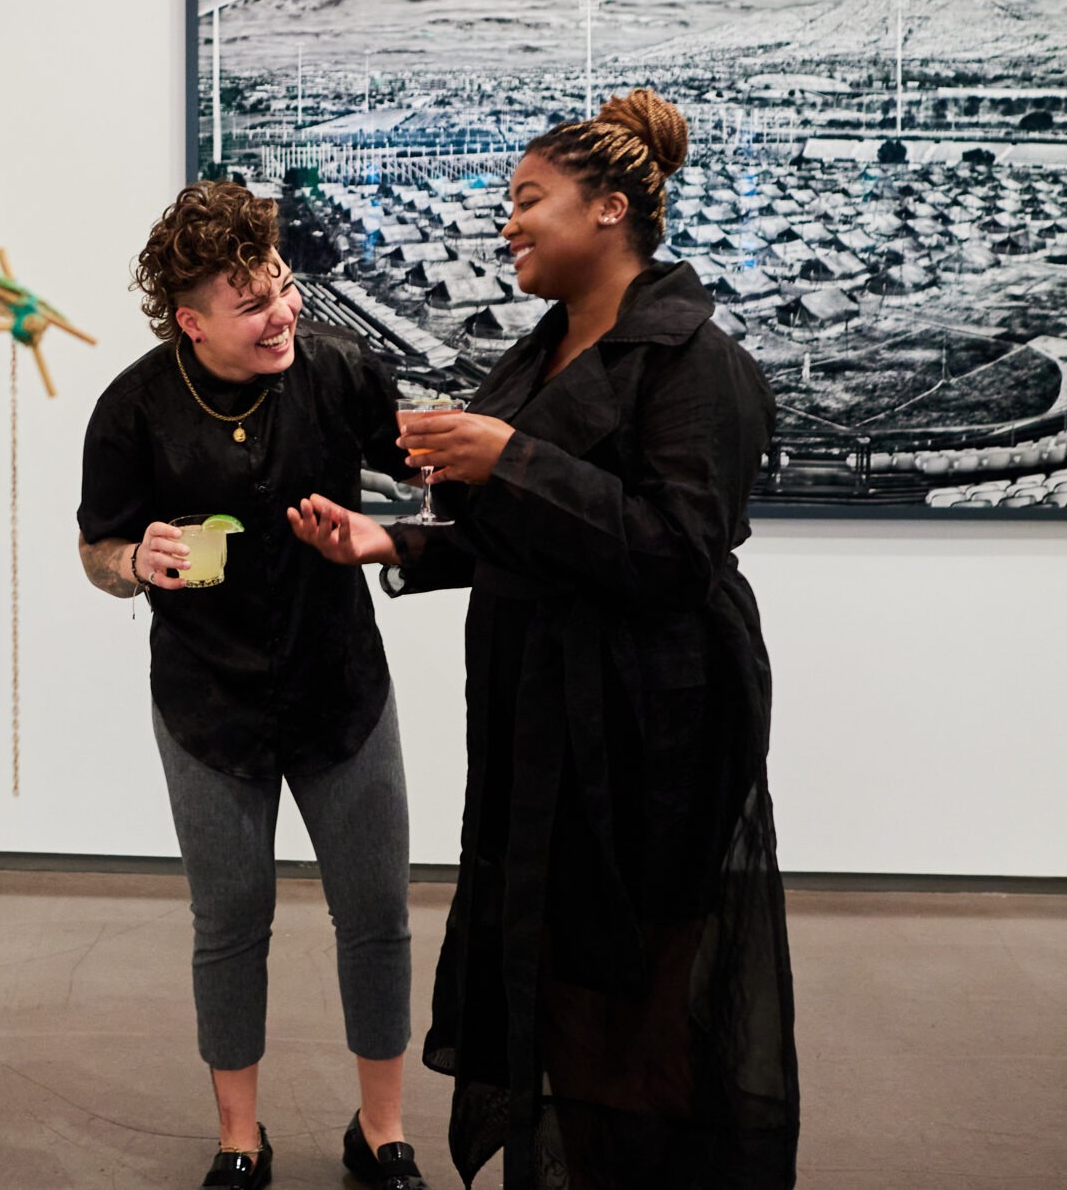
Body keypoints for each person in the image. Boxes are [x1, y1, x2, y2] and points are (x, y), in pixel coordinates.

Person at [288, 91, 801, 1189]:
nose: (504, 222)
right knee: (555, 977)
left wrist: (507, 457)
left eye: (528, 200)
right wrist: (396, 542)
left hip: (653, 726)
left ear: (610, 210)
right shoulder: (547, 350)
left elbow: (675, 547)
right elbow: (527, 533)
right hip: (541, 722)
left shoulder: (692, 363)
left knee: (637, 985)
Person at [77, 180, 433, 1190]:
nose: (280, 311)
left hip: (342, 693)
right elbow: (96, 549)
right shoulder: (132, 410)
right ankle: (241, 1139)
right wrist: (129, 562)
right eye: (249, 300)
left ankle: (382, 1132)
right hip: (206, 706)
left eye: (278, 283)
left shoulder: (340, 372)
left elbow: (417, 467)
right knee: (229, 922)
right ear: (192, 323)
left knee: (375, 914)